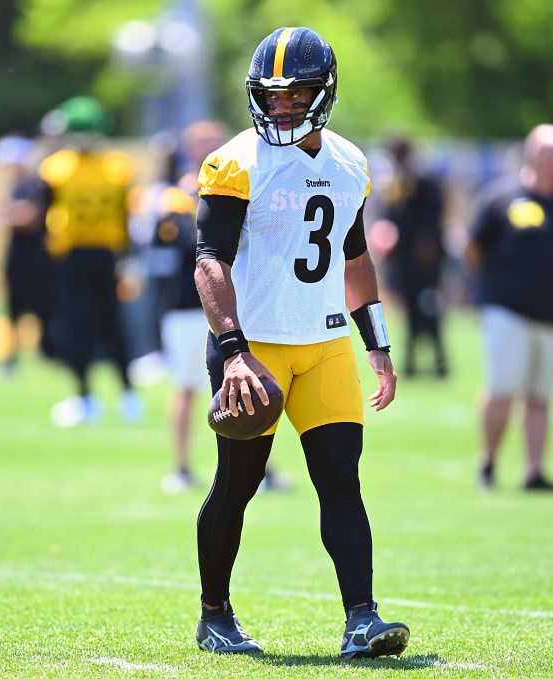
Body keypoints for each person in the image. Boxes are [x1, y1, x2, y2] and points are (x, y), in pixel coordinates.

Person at [192, 27, 409, 659]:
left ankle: (361, 620)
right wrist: (233, 351)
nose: (283, 106)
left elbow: (356, 256)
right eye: (272, 95)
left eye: (297, 94)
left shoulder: (349, 162)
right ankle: (214, 615)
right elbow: (209, 263)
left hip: (324, 343)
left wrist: (379, 347)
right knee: (239, 485)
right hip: (255, 347)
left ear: (325, 92)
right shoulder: (235, 162)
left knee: (341, 478)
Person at [465, 124, 553, 492]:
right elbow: (473, 248)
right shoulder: (500, 198)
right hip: (508, 312)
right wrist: (497, 287)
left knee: (541, 395)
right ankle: (488, 463)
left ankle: (534, 472)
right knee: (503, 388)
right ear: (538, 154)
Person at [38, 96, 143, 427]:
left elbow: (45, 214)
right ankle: (120, 395)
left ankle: (93, 396)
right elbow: (125, 218)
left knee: (88, 327)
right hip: (100, 254)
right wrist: (127, 258)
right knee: (107, 327)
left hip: (79, 255)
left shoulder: (58, 166)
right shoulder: (116, 165)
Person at [378, 136, 449, 378]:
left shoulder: (424, 176)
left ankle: (439, 361)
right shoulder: (395, 180)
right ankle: (412, 360)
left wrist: (426, 241)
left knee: (428, 305)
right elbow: (391, 215)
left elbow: (434, 212)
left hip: (424, 257)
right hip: (405, 255)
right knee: (410, 308)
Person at [0, 133, 49, 374]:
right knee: (13, 311)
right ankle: (11, 357)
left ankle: (48, 353)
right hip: (17, 256)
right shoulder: (15, 187)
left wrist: (2, 210)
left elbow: (31, 218)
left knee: (40, 308)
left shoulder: (34, 185)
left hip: (34, 258)